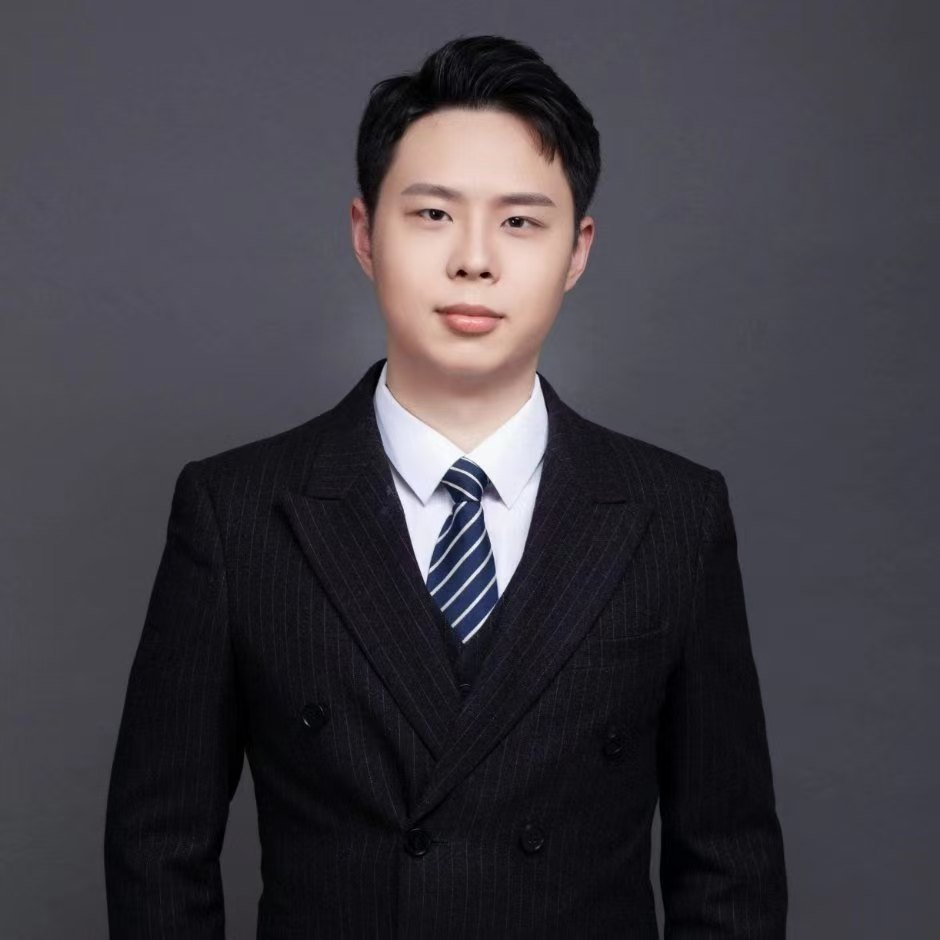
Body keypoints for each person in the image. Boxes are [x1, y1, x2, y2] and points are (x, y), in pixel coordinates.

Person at [104, 34, 787, 938]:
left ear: (577, 250)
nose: (474, 259)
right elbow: (158, 849)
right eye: (432, 214)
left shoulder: (674, 516)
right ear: (365, 234)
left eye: (520, 222)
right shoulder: (237, 513)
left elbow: (729, 864)